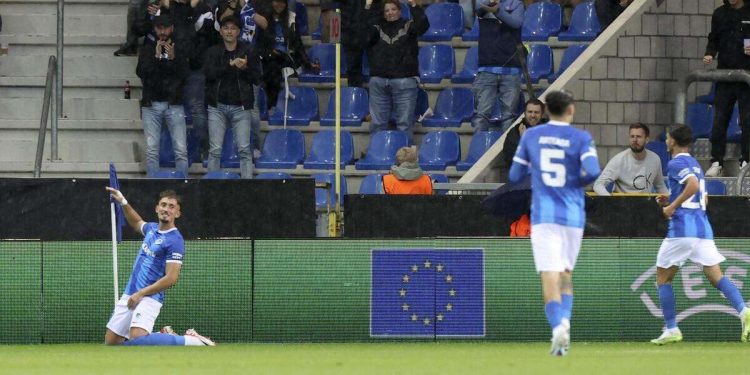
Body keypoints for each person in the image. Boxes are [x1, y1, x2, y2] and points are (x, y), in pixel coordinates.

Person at [508, 90, 601, 356]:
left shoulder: (532, 135)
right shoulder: (581, 138)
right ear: (570, 110)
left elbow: (515, 175)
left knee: (548, 273)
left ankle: (557, 326)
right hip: (573, 215)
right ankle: (566, 323)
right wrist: (571, 181)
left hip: (544, 216)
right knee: (565, 273)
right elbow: (594, 172)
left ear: (546, 112)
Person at [650, 125, 750, 345]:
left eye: (667, 138)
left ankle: (672, 328)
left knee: (663, 278)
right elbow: (703, 199)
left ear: (673, 141)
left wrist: (672, 206)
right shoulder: (696, 165)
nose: (666, 141)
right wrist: (670, 198)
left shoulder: (676, 163)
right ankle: (744, 311)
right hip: (703, 230)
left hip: (682, 230)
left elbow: (693, 187)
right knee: (717, 277)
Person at [104, 188, 215, 346]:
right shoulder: (151, 229)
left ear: (177, 213)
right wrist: (123, 201)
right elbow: (136, 222)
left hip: (150, 297)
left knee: (137, 339)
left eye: (171, 206)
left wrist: (141, 293)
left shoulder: (175, 241)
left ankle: (192, 340)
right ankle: (162, 334)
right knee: (111, 343)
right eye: (163, 205)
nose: (166, 209)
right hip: (130, 293)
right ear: (157, 208)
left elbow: (171, 278)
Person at [204, 16, 261, 178]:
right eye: (226, 28)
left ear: (238, 32)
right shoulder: (213, 51)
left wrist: (245, 68)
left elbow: (257, 78)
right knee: (215, 150)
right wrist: (228, 66)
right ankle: (212, 188)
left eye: (233, 28)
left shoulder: (249, 50)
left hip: (241, 107)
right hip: (217, 107)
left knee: (244, 149)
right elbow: (209, 75)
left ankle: (246, 187)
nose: (229, 31)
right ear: (221, 31)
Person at [363, 0, 429, 141]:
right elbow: (364, 34)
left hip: (404, 79)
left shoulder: (409, 25)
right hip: (379, 81)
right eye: (387, 10)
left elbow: (423, 26)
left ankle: (403, 159)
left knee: (404, 124)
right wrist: (368, 7)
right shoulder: (377, 27)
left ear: (400, 10)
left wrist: (414, 5)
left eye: (393, 9)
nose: (390, 13)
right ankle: (377, 155)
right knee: (377, 124)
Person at [136, 13, 191, 177]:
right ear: (155, 29)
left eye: (166, 28)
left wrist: (173, 58)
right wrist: (156, 57)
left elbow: (185, 75)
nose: (162, 32)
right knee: (152, 150)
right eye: (159, 28)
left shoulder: (179, 49)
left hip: (174, 104)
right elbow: (141, 73)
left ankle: (184, 183)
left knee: (181, 150)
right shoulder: (147, 49)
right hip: (151, 104)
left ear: (172, 28)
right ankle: (153, 184)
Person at [703, 0, 750, 177]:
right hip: (725, 75)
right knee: (719, 120)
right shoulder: (719, 13)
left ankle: (746, 160)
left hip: (746, 77)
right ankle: (716, 161)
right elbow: (713, 37)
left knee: (747, 120)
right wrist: (709, 53)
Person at [471, 0, 525, 132]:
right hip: (486, 68)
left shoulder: (516, 3)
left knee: (509, 116)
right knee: (481, 115)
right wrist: (491, 3)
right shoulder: (484, 1)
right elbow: (478, 7)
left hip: (511, 69)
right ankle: (480, 152)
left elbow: (516, 22)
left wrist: (498, 11)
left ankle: (504, 151)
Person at [256, 0, 317, 110]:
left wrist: (307, 63)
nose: (280, 5)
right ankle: (271, 105)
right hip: (268, 57)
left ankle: (273, 105)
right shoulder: (263, 20)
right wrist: (270, 52)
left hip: (286, 58)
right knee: (270, 67)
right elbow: (260, 44)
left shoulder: (291, 18)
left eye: (282, 2)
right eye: (277, 1)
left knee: (274, 67)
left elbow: (297, 43)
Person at [593, 123, 668, 195]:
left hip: (646, 206)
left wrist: (671, 203)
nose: (635, 140)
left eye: (638, 136)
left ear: (647, 139)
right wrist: (609, 200)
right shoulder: (619, 160)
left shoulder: (655, 159)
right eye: (632, 136)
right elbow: (598, 185)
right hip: (622, 205)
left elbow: (660, 186)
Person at [501, 98, 546, 171]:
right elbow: (510, 161)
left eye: (536, 112)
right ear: (525, 113)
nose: (533, 115)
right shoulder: (515, 132)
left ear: (542, 114)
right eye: (530, 112)